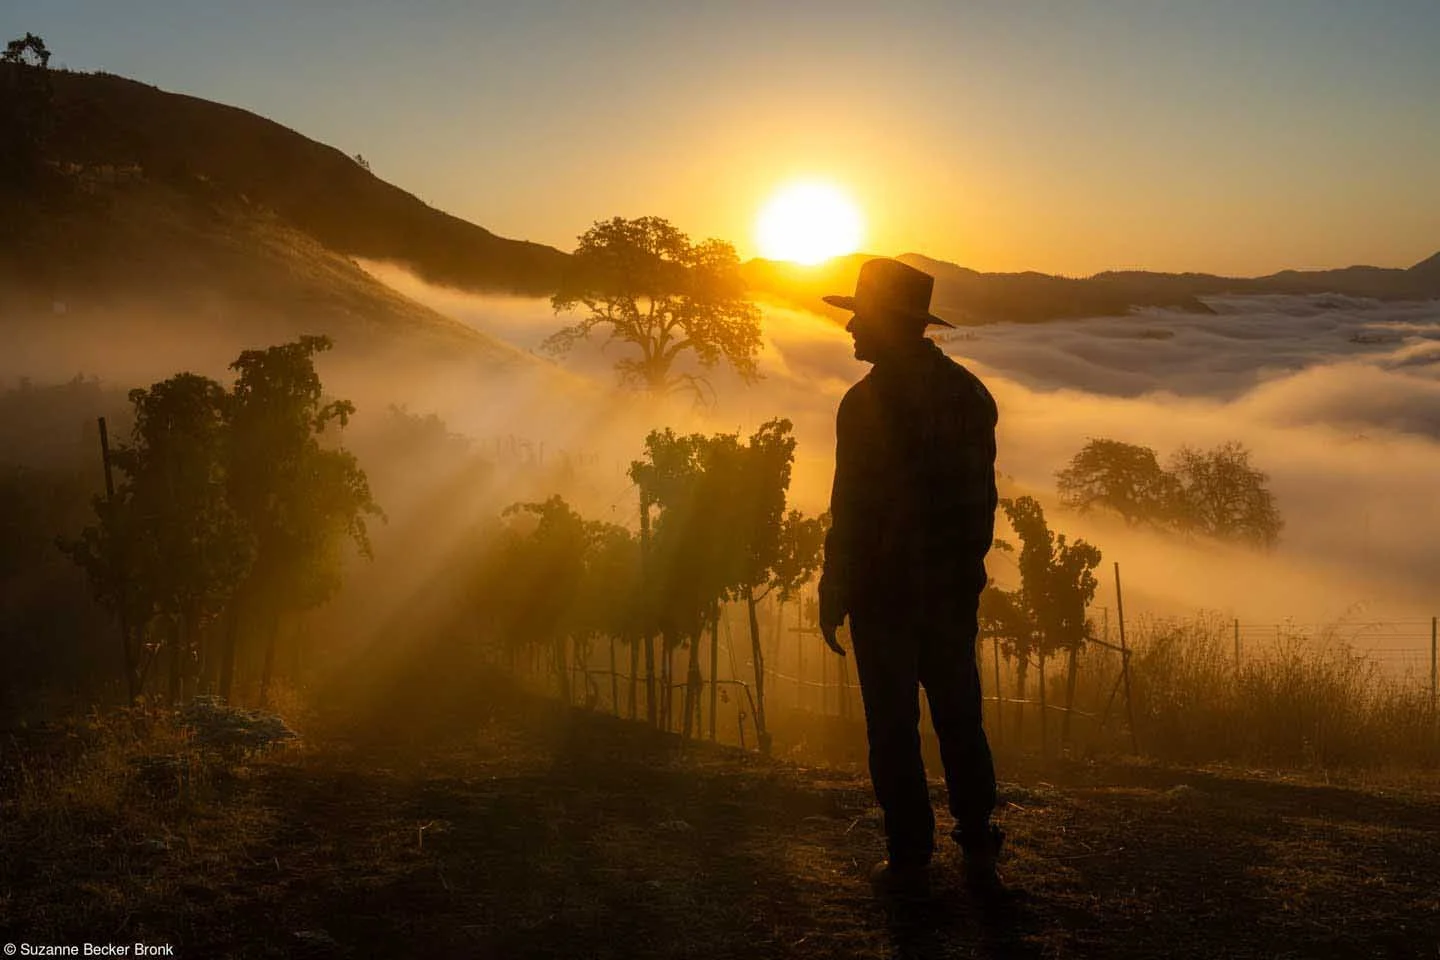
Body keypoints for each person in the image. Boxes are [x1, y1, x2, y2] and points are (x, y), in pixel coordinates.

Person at [816, 257, 1003, 898]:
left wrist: (834, 586)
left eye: (859, 319)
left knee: (892, 725)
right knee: (960, 716)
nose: (849, 332)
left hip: (885, 594)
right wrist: (961, 579)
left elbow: (853, 508)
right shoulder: (972, 395)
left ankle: (909, 858)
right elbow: (983, 504)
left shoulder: (864, 404)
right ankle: (979, 847)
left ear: (888, 325)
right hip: (950, 592)